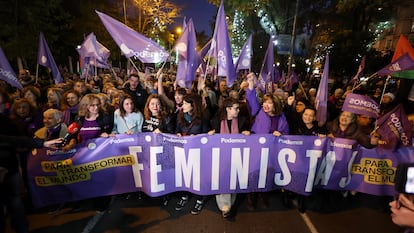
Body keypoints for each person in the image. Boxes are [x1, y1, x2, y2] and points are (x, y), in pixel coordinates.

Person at [0, 113, 61, 233]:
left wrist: (41, 143)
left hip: (9, 168)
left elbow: (11, 139)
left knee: (15, 200)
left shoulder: (4, 119)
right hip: (8, 167)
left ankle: (21, 227)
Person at [245, 72, 289, 210]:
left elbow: (286, 133)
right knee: (254, 172)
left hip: (272, 152)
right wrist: (251, 83)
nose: (266, 105)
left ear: (275, 105)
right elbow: (251, 99)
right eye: (264, 102)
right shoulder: (258, 112)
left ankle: (262, 195)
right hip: (257, 150)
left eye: (269, 103)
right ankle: (251, 196)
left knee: (266, 174)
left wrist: (280, 134)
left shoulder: (282, 117)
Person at [208, 97, 250, 219]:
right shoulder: (215, 121)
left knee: (233, 181)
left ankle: (227, 204)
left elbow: (249, 138)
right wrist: (210, 134)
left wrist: (248, 134)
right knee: (224, 179)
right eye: (236, 109)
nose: (238, 111)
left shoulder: (242, 121)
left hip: (237, 157)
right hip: (220, 157)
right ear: (228, 109)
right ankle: (225, 206)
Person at [175, 93, 210, 215]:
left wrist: (198, 138)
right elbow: (177, 131)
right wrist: (178, 134)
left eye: (185, 103)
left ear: (193, 105)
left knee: (197, 176)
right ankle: (185, 196)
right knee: (185, 174)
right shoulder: (180, 116)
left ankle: (200, 198)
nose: (182, 105)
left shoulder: (203, 118)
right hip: (183, 151)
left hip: (198, 153)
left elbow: (206, 136)